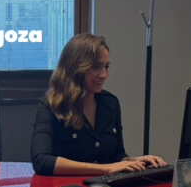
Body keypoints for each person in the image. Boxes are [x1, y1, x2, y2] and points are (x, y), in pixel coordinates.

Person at [30, 32, 168, 176]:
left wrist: (134, 161)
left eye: (106, 67)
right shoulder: (51, 106)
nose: (104, 75)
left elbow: (116, 155)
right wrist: (105, 169)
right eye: (96, 67)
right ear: (75, 68)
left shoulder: (111, 103)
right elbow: (42, 161)